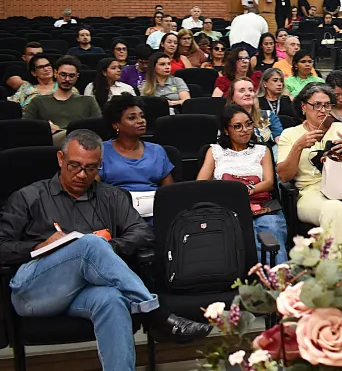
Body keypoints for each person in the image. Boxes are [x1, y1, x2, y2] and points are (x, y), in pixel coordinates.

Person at [0, 130, 211, 371]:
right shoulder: (29, 197)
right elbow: (2, 246)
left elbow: (141, 233)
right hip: (34, 291)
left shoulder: (111, 197)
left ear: (100, 166)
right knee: (89, 244)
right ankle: (156, 313)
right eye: (74, 166)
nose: (82, 174)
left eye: (91, 168)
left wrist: (105, 249)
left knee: (112, 299)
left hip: (84, 291)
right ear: (60, 159)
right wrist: (39, 245)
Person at [277, 83, 342, 244]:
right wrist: (298, 147)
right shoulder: (290, 134)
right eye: (317, 105)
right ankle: (334, 266)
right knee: (335, 208)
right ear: (304, 107)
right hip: (311, 192)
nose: (322, 110)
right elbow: (284, 176)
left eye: (327, 105)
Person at [197, 105, 288, 263]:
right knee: (244, 236)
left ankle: (280, 282)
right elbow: (201, 184)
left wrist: (247, 190)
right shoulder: (215, 151)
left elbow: (269, 183)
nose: (245, 129)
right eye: (237, 126)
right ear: (226, 130)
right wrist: (233, 193)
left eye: (248, 124)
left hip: (262, 206)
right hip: (227, 208)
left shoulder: (262, 150)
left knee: (271, 233)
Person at [100, 95, 176, 223]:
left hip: (156, 216)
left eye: (142, 116)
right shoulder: (101, 151)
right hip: (116, 216)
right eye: (132, 118)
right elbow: (93, 191)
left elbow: (169, 192)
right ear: (116, 124)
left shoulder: (157, 151)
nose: (141, 121)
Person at [24, 56, 101, 148]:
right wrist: (45, 128)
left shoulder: (88, 101)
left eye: (71, 76)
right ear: (55, 73)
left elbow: (98, 127)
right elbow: (25, 127)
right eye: (63, 75)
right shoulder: (38, 101)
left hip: (82, 146)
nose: (67, 79)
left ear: (77, 76)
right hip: (50, 146)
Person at [228, 77, 283, 153]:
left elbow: (279, 139)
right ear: (232, 97)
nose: (248, 94)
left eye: (250, 90)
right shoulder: (226, 118)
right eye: (242, 91)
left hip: (269, 154)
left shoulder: (268, 115)